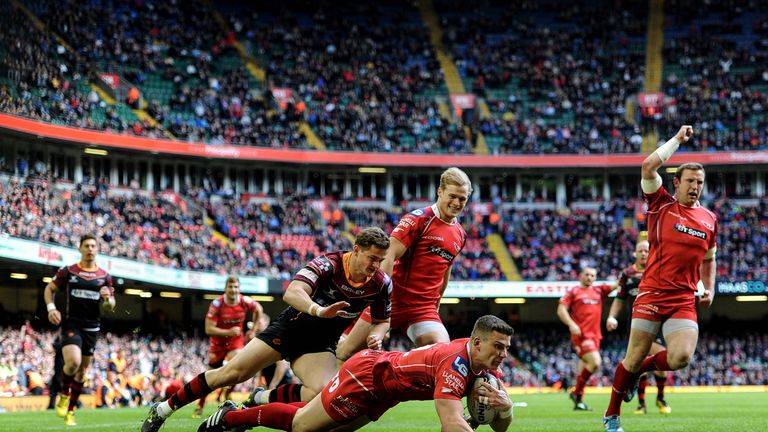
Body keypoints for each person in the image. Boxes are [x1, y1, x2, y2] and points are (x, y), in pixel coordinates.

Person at [141, 227, 392, 432]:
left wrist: (376, 336)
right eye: (372, 258)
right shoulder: (329, 264)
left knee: (321, 394)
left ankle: (258, 399)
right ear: (356, 250)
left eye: (380, 260)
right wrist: (318, 310)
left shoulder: (381, 284)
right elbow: (292, 292)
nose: (376, 266)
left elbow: (382, 320)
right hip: (289, 330)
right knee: (231, 374)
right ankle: (164, 409)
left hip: (319, 344)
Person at [199, 315, 514, 432]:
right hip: (368, 375)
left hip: (387, 393)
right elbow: (452, 424)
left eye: (505, 348)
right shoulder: (456, 364)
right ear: (475, 342)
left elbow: (500, 426)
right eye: (497, 347)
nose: (503, 354)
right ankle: (231, 418)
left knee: (327, 428)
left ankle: (251, 406)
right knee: (303, 426)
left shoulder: (488, 369)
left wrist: (507, 408)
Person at [603, 126, 718, 432]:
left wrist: (710, 288)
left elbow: (710, 259)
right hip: (652, 294)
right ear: (676, 182)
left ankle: (639, 373)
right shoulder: (661, 204)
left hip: (683, 298)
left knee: (681, 357)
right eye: (691, 181)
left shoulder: (709, 219)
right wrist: (679, 141)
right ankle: (612, 416)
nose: (696, 186)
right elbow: (648, 166)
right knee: (632, 358)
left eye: (700, 182)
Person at [336, 167, 471, 362]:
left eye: (462, 199)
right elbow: (389, 253)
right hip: (394, 300)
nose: (457, 203)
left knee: (443, 356)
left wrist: (437, 301)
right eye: (453, 196)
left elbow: (445, 270)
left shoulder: (460, 233)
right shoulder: (418, 219)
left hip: (423, 308)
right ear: (439, 192)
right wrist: (382, 296)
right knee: (345, 352)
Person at [44, 234, 116, 426]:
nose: (90, 249)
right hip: (71, 324)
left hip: (92, 327)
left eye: (93, 246)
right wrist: (51, 308)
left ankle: (70, 411)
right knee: (73, 362)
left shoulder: (105, 277)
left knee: (82, 372)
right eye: (87, 245)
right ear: (80, 248)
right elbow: (49, 289)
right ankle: (64, 396)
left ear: (97, 249)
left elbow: (111, 306)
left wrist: (108, 299)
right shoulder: (69, 271)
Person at [606, 238, 673, 415]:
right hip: (636, 324)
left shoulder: (659, 271)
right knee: (639, 361)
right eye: (641, 250)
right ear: (635, 253)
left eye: (647, 250)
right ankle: (642, 404)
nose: (644, 253)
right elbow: (619, 299)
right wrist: (612, 317)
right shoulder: (627, 274)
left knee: (655, 359)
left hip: (657, 323)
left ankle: (659, 398)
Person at [193, 275, 263, 418]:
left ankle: (226, 395)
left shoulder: (244, 301)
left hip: (235, 343)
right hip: (218, 344)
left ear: (239, 288)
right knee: (209, 376)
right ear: (225, 289)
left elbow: (259, 309)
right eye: (230, 287)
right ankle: (200, 405)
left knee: (239, 368)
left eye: (236, 287)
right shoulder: (217, 305)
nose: (233, 290)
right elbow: (208, 329)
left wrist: (254, 330)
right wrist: (228, 331)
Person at [557, 266, 615, 411]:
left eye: (593, 275)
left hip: (596, 336)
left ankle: (579, 401)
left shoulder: (598, 290)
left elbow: (618, 283)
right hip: (581, 336)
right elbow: (561, 309)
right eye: (587, 274)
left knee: (584, 367)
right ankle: (576, 392)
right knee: (595, 362)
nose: (590, 277)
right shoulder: (574, 291)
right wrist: (571, 324)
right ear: (580, 276)